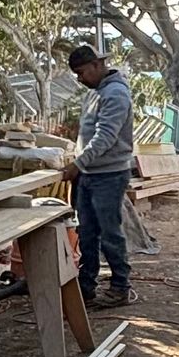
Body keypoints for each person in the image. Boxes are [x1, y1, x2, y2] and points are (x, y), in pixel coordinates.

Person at [60, 42, 137, 307]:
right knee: (88, 232)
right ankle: (86, 286)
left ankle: (119, 288)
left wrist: (78, 165)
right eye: (77, 75)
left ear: (97, 65)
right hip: (91, 173)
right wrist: (80, 164)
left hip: (109, 175)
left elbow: (105, 137)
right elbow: (90, 134)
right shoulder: (96, 92)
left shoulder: (115, 93)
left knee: (109, 232)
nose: (80, 79)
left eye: (82, 72)